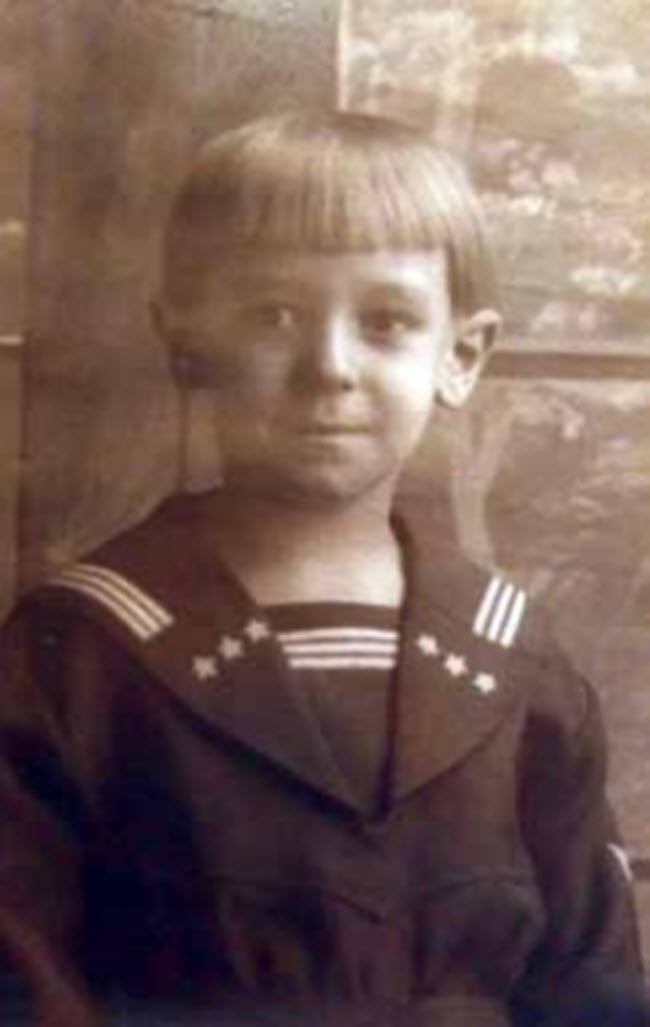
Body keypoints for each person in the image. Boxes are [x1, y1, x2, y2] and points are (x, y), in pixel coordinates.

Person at [0, 111, 645, 1027]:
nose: (329, 366)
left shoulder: (514, 661)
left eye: (386, 322)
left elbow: (594, 981)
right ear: (186, 342)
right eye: (273, 315)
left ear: (460, 355)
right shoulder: (80, 652)